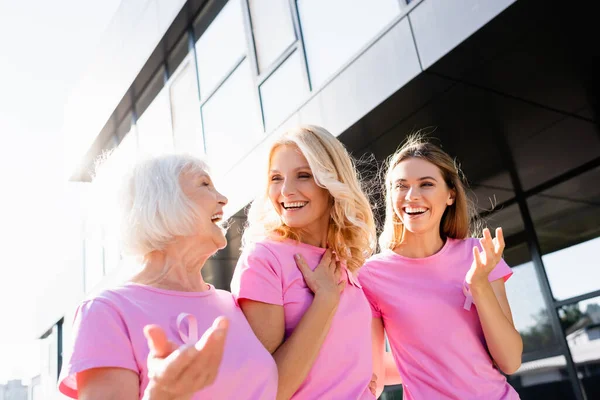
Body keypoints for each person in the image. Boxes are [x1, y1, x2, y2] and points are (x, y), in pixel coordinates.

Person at [58, 154, 278, 399]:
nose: (223, 199)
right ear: (163, 201)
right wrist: (163, 395)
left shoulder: (231, 303)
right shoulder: (105, 310)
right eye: (204, 184)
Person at [359, 134, 522, 399]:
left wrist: (479, 286)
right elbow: (374, 374)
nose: (412, 196)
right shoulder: (371, 276)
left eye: (426, 184)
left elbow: (510, 361)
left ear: (450, 195)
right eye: (401, 185)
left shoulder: (479, 254)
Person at [230, 125, 377, 399]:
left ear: (330, 181)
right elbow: (268, 392)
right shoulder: (263, 259)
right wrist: (325, 301)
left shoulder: (341, 260)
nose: (286, 190)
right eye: (276, 178)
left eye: (303, 176)